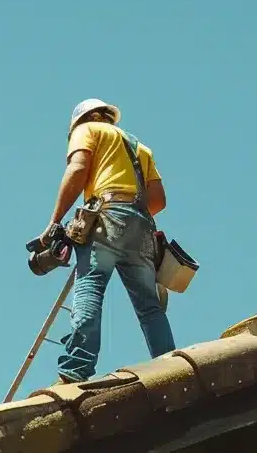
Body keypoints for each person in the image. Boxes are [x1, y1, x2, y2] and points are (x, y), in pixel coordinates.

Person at [33, 98, 176, 384]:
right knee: (149, 307)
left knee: (90, 286)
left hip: (107, 218)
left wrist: (54, 222)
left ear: (80, 121)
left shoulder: (88, 131)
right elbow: (158, 200)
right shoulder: (139, 147)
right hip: (142, 225)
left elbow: (77, 169)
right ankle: (172, 367)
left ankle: (76, 369)